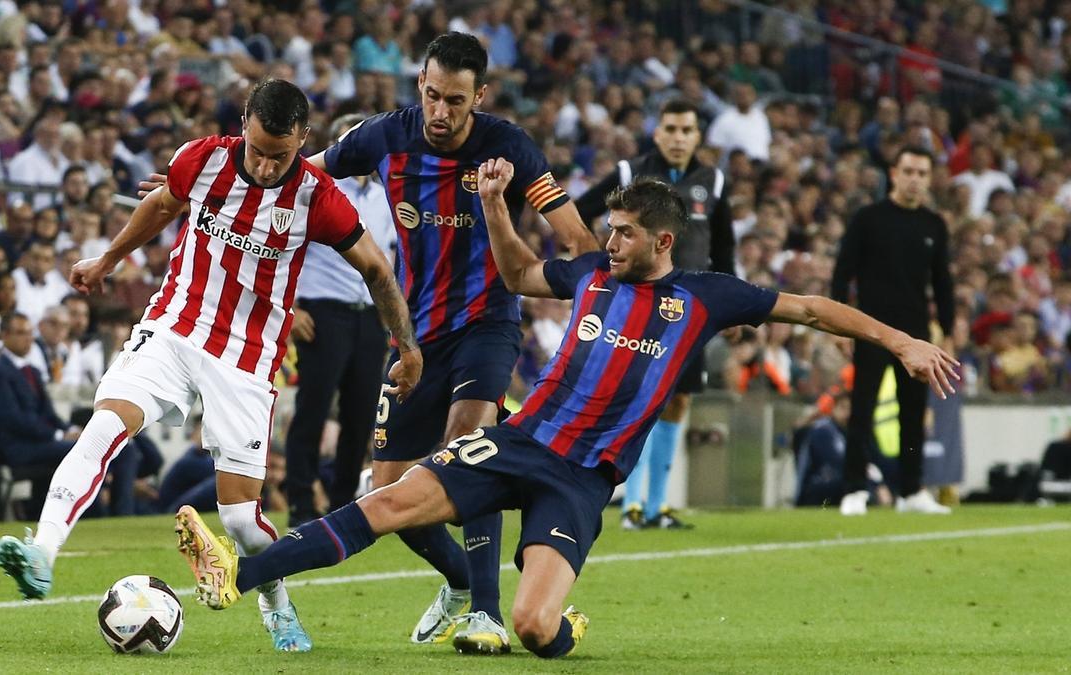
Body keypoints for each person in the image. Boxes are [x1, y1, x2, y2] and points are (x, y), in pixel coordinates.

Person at [175, 165, 958, 659]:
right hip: (518, 442)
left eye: (619, 232)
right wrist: (491, 205)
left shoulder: (706, 297)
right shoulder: (587, 274)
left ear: (660, 238)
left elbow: (815, 309)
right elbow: (516, 273)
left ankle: (560, 626)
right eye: (605, 230)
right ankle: (235, 576)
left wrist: (902, 340)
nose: (604, 240)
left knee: (535, 628)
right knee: (386, 502)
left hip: (580, 482)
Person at [139, 32, 599, 653]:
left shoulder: (508, 147)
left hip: (487, 323)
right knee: (387, 490)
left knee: (469, 445)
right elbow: (294, 183)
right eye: (433, 95)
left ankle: (486, 615)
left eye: (456, 101)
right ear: (420, 86)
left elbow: (576, 239)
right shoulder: (384, 136)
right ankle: (462, 583)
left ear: (480, 96)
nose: (441, 112)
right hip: (415, 332)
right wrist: (195, 191)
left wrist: (603, 304)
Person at [0, 79, 421, 655]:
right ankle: (41, 553)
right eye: (259, 149)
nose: (268, 166)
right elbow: (160, 205)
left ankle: (276, 604)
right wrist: (109, 259)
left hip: (245, 361)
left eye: (282, 154)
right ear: (244, 122)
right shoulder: (203, 159)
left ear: (304, 138)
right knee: (103, 428)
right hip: (173, 327)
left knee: (242, 521)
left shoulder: (317, 196)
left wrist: (406, 344)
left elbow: (376, 268)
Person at [576, 98, 734, 531]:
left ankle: (656, 506)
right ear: (657, 132)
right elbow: (580, 211)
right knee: (637, 398)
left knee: (678, 400)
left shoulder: (714, 181)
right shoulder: (631, 175)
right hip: (638, 305)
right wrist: (596, 266)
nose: (679, 138)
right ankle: (630, 500)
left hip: (691, 310)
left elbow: (724, 249)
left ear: (698, 136)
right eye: (671, 129)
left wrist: (730, 307)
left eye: (687, 130)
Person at [283, 113, 397, 526]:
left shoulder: (387, 197)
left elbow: (392, 261)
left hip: (370, 316)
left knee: (361, 414)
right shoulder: (315, 190)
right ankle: (299, 503)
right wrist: (289, 306)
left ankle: (343, 507)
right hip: (322, 312)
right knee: (312, 409)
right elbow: (282, 247)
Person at [831, 145, 955, 516]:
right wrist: (841, 325)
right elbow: (842, 272)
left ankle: (912, 490)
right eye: (909, 171)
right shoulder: (868, 218)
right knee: (861, 408)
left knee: (914, 412)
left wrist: (947, 332)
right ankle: (854, 488)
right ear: (894, 173)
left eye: (922, 172)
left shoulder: (935, 224)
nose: (915, 179)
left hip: (916, 332)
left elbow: (943, 284)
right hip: (870, 328)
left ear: (929, 179)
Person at [0, 313, 80, 519]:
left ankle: (117, 513)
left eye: (29, 333)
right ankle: (88, 516)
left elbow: (49, 413)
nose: (27, 338)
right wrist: (58, 436)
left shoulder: (33, 371)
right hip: (20, 448)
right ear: (5, 335)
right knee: (77, 451)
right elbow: (13, 420)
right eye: (20, 333)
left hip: (41, 444)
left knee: (91, 446)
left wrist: (69, 430)